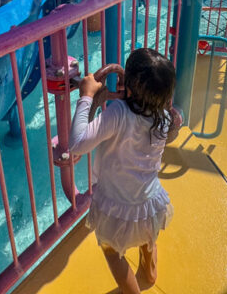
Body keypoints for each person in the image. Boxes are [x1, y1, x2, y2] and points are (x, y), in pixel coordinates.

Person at [69, 48, 178, 293]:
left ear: (128, 85)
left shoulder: (118, 113)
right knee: (147, 237)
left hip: (117, 207)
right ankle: (149, 272)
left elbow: (77, 144)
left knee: (111, 250)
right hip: (150, 202)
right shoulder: (163, 116)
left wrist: (86, 96)